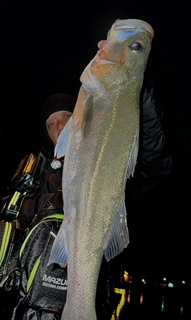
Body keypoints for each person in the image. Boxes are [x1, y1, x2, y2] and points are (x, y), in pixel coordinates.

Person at [0, 45, 172, 320]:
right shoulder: (32, 179)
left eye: (67, 116)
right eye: (51, 124)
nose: (59, 127)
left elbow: (156, 164)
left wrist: (134, 87)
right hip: (24, 311)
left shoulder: (108, 164)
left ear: (82, 116)